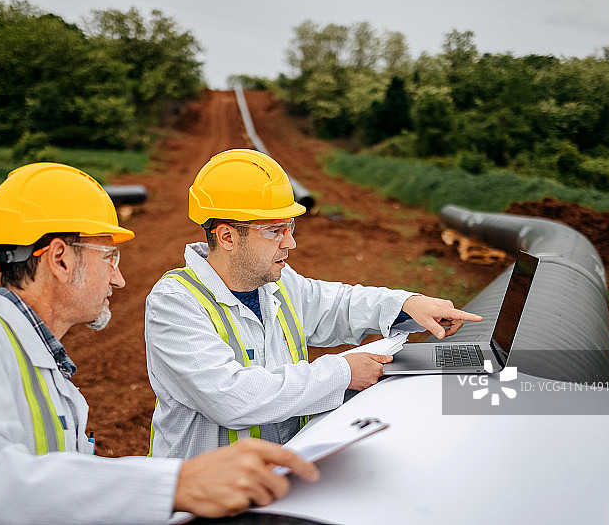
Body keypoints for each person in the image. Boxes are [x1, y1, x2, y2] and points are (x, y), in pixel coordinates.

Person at [0, 162, 319, 525]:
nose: (119, 278)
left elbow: (56, 498)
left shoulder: (49, 378)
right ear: (61, 259)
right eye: (110, 257)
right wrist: (175, 484)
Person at [145, 149, 483, 459]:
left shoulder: (277, 283)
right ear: (228, 237)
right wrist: (344, 371)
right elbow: (233, 398)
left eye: (289, 227)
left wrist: (408, 303)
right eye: (275, 231)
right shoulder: (174, 304)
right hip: (202, 500)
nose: (290, 242)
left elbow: (339, 304)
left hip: (274, 480)